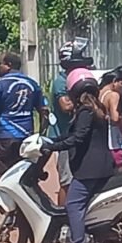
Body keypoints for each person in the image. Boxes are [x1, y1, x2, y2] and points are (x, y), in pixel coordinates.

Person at [43, 71, 115, 243]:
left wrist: (54, 147)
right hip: (102, 166)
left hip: (89, 169)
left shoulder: (85, 111)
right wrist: (52, 141)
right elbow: (74, 134)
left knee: (73, 204)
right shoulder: (96, 108)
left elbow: (79, 138)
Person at [0, 52, 49, 186]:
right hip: (27, 138)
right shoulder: (33, 84)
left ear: (8, 65)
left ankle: (5, 205)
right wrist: (41, 135)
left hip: (5, 138)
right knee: (24, 176)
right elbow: (44, 111)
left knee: (2, 177)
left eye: (0, 64)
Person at [50, 39, 95, 205]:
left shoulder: (81, 78)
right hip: (65, 139)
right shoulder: (62, 81)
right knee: (67, 182)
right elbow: (66, 106)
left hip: (81, 137)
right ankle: (62, 218)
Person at [99, 66, 122, 169]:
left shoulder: (99, 94)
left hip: (103, 139)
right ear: (114, 81)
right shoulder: (113, 95)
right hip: (115, 139)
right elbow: (115, 118)